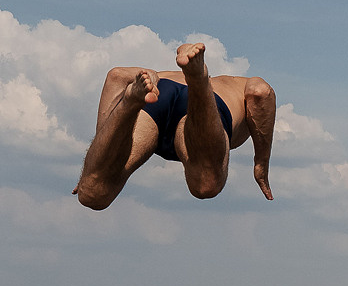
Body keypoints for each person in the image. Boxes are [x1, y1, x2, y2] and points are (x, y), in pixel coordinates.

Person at [75, 42, 277, 210]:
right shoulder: (237, 83)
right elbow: (261, 92)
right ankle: (198, 80)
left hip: (156, 90)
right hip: (207, 103)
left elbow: (116, 75)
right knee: (205, 185)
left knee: (93, 193)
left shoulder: (165, 75)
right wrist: (261, 163)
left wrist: (98, 165)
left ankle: (129, 103)